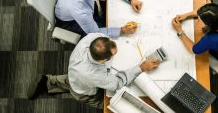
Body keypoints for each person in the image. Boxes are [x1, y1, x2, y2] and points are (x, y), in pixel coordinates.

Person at [27, 33, 160, 108]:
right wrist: (141, 67)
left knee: (72, 80)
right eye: (113, 55)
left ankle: (48, 81)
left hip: (75, 73)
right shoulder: (94, 75)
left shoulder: (93, 38)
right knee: (107, 103)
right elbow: (117, 83)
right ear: (103, 61)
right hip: (84, 91)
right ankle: (49, 84)